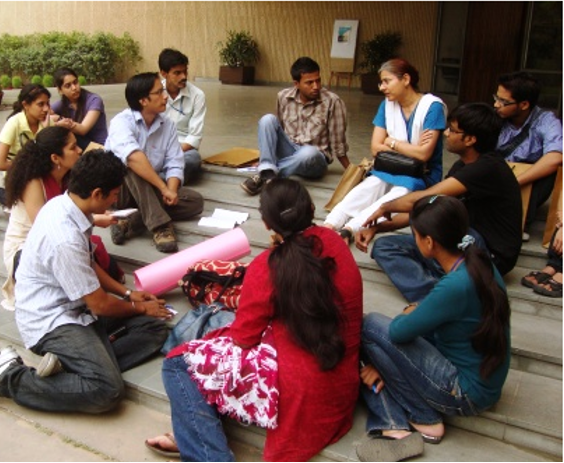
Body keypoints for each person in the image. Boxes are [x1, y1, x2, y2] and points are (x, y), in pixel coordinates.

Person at [145, 179, 363, 461]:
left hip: (298, 390)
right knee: (216, 335)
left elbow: (244, 338)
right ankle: (193, 433)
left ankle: (206, 450)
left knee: (178, 363)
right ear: (311, 208)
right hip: (340, 384)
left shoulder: (269, 266)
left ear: (266, 224)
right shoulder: (336, 244)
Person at [0, 150, 172, 413]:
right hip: (51, 321)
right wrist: (138, 307)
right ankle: (8, 378)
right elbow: (100, 305)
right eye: (114, 194)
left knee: (155, 329)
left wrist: (128, 294)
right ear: (97, 194)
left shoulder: (68, 205)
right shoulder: (64, 237)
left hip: (78, 308)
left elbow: (89, 264)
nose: (116, 199)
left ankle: (72, 362)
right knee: (107, 389)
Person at [354, 195, 510, 462]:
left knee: (369, 327)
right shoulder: (480, 264)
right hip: (485, 381)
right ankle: (394, 416)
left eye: (414, 235)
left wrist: (410, 312)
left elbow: (398, 332)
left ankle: (421, 417)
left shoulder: (454, 286)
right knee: (382, 346)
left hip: (464, 393)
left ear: (429, 242)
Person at [356, 103, 521, 303]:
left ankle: (449, 294)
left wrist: (384, 207)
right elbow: (429, 208)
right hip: (458, 238)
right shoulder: (463, 165)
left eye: (453, 130)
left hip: (488, 252)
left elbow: (424, 198)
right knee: (384, 247)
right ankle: (435, 296)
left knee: (458, 234)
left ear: (470, 139)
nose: (446, 134)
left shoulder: (488, 167)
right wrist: (378, 228)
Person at [0, 126, 119, 311]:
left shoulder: (67, 177)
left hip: (58, 236)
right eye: (72, 148)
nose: (79, 150)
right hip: (28, 247)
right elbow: (46, 226)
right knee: (77, 256)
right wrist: (94, 219)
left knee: (99, 263)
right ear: (55, 158)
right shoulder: (34, 182)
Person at [325, 59, 446, 242]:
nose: (382, 87)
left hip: (421, 175)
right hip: (389, 168)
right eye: (381, 82)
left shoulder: (432, 107)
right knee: (367, 188)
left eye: (386, 81)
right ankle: (329, 224)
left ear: (406, 79)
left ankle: (349, 230)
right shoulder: (388, 105)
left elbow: (424, 155)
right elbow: (375, 148)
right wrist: (411, 148)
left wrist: (391, 142)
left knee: (398, 196)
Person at [105, 72, 205, 252]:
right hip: (118, 192)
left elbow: (175, 162)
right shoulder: (121, 122)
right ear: (143, 100)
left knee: (195, 202)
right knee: (133, 165)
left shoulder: (167, 125)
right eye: (159, 93)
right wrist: (163, 187)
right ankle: (161, 227)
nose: (165, 96)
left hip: (148, 192)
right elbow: (134, 158)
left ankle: (130, 221)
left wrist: (172, 190)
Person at [242, 57, 350, 195]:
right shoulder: (283, 96)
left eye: (318, 80)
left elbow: (338, 141)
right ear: (296, 83)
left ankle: (264, 174)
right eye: (309, 83)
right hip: (289, 150)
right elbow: (276, 130)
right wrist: (264, 157)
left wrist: (350, 169)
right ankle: (268, 170)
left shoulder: (333, 102)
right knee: (267, 119)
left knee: (308, 153)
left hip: (315, 159)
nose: (316, 86)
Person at [492, 72, 563, 236]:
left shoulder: (546, 121)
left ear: (524, 105)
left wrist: (515, 182)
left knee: (549, 172)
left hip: (525, 181)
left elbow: (555, 157)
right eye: (496, 97)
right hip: (497, 172)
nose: (496, 104)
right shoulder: (493, 115)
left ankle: (521, 223)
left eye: (503, 101)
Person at [0, 84, 55, 220]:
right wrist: (28, 165)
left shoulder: (47, 123)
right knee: (24, 206)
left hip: (38, 169)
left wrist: (45, 131)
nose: (46, 109)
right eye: (40, 104)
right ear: (26, 105)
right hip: (17, 172)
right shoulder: (14, 123)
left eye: (48, 104)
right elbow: (0, 163)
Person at [159, 48, 207, 182]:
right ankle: (167, 179)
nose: (184, 77)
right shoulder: (154, 92)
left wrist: (171, 153)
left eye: (185, 71)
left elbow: (195, 136)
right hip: (156, 146)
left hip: (182, 149)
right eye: (177, 73)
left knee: (193, 160)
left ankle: (153, 179)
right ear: (164, 73)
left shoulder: (197, 95)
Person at [50, 68, 109, 152]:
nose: (74, 88)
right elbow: (44, 117)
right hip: (78, 151)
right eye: (68, 86)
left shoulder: (94, 100)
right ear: (60, 90)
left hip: (99, 149)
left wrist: (59, 120)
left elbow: (83, 129)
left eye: (75, 82)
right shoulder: (62, 104)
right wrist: (56, 123)